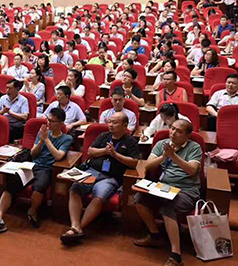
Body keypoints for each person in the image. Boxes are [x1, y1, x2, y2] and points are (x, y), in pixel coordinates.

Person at [0, 108, 73, 236]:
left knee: (39, 186)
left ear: (61, 123)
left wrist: (46, 140)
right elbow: (33, 153)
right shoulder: (41, 132)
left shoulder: (66, 138)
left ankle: (32, 210)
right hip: (32, 165)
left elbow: (59, 156)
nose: (49, 123)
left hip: (47, 168)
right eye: (48, 120)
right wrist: (41, 140)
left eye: (52, 121)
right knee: (12, 182)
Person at [60, 112, 139, 244]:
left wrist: (115, 154)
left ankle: (79, 227)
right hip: (93, 171)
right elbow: (90, 151)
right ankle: (75, 226)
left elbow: (134, 162)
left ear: (125, 125)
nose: (111, 125)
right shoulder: (103, 136)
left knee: (99, 197)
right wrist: (105, 151)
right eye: (110, 122)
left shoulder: (130, 141)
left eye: (115, 122)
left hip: (111, 177)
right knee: (75, 189)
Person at [133, 120, 201, 266]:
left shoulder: (194, 147)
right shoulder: (162, 144)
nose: (173, 133)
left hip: (186, 190)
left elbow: (192, 170)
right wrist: (164, 156)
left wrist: (173, 156)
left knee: (168, 208)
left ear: (188, 135)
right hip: (163, 187)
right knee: (139, 198)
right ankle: (154, 235)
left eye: (179, 131)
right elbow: (148, 165)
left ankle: (176, 256)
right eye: (172, 129)